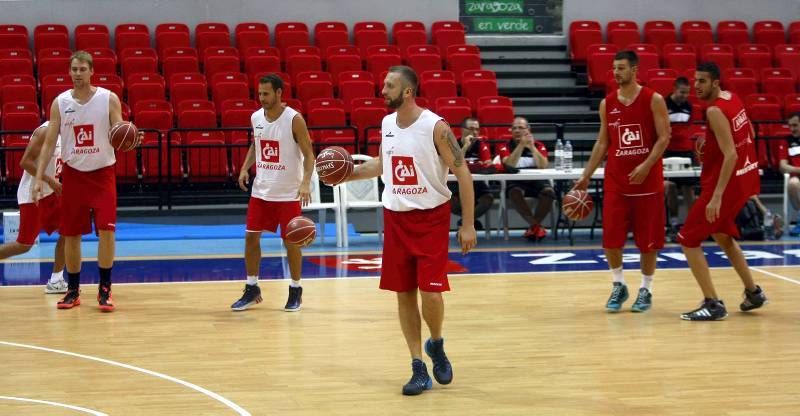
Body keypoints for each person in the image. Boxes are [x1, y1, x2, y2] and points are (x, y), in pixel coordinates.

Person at [338, 65, 477, 396]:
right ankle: (417, 366)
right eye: (384, 85)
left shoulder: (436, 127)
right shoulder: (387, 124)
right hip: (396, 217)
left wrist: (468, 224)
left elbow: (464, 174)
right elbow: (381, 165)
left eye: (389, 86)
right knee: (403, 293)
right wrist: (348, 174)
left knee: (430, 292)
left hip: (431, 218)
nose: (382, 90)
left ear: (408, 92)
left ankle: (437, 344)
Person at [34, 50, 138, 312]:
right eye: (74, 69)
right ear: (69, 72)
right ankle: (73, 290)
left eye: (82, 69)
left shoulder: (108, 99)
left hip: (102, 174)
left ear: (92, 71)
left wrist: (130, 140)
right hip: (73, 176)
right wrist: (38, 177)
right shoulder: (60, 102)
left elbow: (119, 130)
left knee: (107, 230)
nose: (77, 74)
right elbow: (48, 143)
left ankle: (105, 289)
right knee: (71, 234)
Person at [573, 50, 670, 313]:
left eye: (622, 68)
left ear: (635, 69)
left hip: (648, 183)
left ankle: (646, 289)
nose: (616, 73)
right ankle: (619, 284)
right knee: (611, 240)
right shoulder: (608, 103)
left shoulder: (654, 99)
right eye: (614, 68)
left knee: (648, 242)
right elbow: (603, 142)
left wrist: (646, 164)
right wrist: (586, 175)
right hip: (617, 180)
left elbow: (664, 137)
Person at [676, 62, 767, 321]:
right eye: (695, 81)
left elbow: (730, 154)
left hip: (724, 186)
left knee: (688, 239)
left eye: (702, 81)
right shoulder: (733, 98)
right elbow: (749, 132)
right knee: (722, 235)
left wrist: (716, 195)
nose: (697, 86)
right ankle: (754, 292)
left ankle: (713, 303)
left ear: (715, 83)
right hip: (743, 178)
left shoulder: (715, 111)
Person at [230, 73, 314, 312]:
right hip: (261, 191)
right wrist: (245, 167)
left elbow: (309, 154)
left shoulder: (294, 119)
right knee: (250, 237)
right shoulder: (256, 117)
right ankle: (252, 287)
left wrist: (306, 182)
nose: (261, 98)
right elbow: (257, 143)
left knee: (291, 243)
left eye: (266, 93)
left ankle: (296, 289)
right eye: (259, 93)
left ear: (279, 93)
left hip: (287, 193)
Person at [0, 121, 66, 293]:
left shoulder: (68, 132)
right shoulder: (45, 131)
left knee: (69, 233)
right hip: (33, 195)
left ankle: (56, 280)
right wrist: (50, 180)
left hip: (52, 193)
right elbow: (25, 162)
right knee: (24, 244)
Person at [497, 116, 555, 241]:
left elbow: (543, 165)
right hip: (516, 183)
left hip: (536, 182)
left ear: (528, 130)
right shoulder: (504, 146)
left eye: (521, 128)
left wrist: (532, 147)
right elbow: (509, 164)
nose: (517, 131)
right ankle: (536, 226)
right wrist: (521, 146)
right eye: (514, 128)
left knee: (549, 192)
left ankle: (533, 226)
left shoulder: (539, 145)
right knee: (515, 193)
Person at [663, 77, 698, 241]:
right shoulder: (663, 104)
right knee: (670, 188)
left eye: (687, 93)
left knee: (689, 190)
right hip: (668, 152)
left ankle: (692, 225)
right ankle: (674, 223)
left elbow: (688, 130)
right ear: (674, 89)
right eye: (682, 92)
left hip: (686, 153)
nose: (685, 96)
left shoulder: (689, 107)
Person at [448, 117, 494, 229]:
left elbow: (487, 163)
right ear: (463, 130)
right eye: (471, 128)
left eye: (477, 129)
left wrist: (485, 163)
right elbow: (455, 165)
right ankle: (470, 222)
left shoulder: (481, 144)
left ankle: (465, 222)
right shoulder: (453, 143)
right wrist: (465, 147)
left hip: (475, 183)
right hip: (456, 183)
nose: (474, 132)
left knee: (488, 198)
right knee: (450, 201)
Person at [777, 112, 800, 235]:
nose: (792, 129)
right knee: (793, 183)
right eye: (790, 126)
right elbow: (783, 166)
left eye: (795, 125)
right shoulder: (786, 141)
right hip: (797, 178)